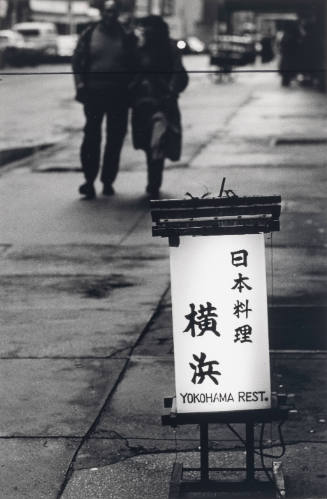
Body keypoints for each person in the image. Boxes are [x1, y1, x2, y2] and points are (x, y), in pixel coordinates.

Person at [72, 0, 135, 199]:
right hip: (94, 93)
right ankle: (89, 180)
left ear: (117, 14)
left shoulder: (126, 36)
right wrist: (80, 84)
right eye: (107, 11)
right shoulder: (89, 34)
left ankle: (108, 180)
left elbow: (135, 63)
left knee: (115, 138)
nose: (110, 15)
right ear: (102, 13)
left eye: (113, 12)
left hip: (119, 95)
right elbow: (77, 61)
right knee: (91, 136)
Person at [129, 16, 189, 199]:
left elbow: (179, 73)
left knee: (157, 142)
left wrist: (170, 92)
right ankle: (153, 179)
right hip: (144, 103)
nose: (146, 31)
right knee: (149, 144)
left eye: (148, 27)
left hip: (162, 102)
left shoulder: (169, 48)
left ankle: (154, 181)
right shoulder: (140, 49)